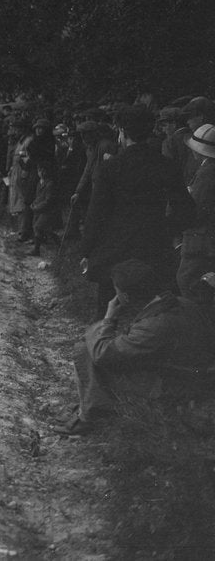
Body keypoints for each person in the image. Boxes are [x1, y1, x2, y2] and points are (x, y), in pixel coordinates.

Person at [53, 260, 215, 436]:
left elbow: (104, 355)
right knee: (96, 348)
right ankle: (94, 404)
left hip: (176, 387)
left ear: (126, 297)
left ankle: (89, 417)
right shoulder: (178, 303)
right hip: (192, 375)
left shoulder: (154, 325)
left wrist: (108, 319)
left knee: (84, 350)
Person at [80, 105, 195, 319]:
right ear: (151, 130)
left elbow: (96, 214)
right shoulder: (166, 166)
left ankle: (102, 346)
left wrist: (87, 250)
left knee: (109, 309)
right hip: (154, 247)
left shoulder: (110, 168)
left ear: (122, 132)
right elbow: (187, 211)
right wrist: (166, 228)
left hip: (114, 250)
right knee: (154, 312)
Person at [177, 124, 215, 298]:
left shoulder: (208, 171)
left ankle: (197, 320)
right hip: (207, 235)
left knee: (187, 280)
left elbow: (196, 207)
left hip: (201, 237)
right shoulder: (207, 168)